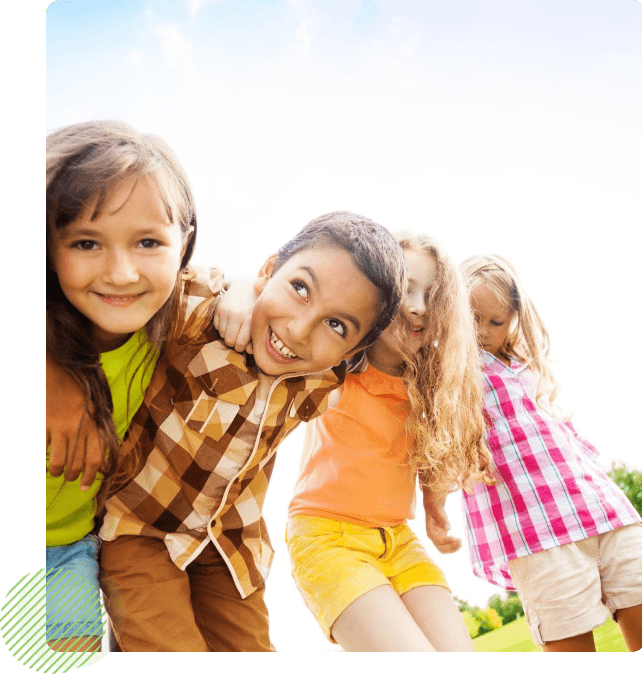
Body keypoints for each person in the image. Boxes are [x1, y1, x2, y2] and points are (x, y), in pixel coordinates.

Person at [92, 211, 407, 652]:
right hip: (141, 529)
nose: (298, 330)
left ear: (350, 351)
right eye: (300, 288)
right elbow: (175, 276)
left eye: (336, 325)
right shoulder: (203, 317)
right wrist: (237, 287)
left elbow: (406, 363)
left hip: (229, 544)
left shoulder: (319, 382)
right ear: (267, 271)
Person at [427, 254, 642, 652]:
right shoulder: (452, 371)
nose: (483, 332)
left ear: (514, 317)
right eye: (473, 318)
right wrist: (435, 506)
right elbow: (438, 443)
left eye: (496, 321)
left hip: (601, 510)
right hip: (537, 532)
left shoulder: (528, 364)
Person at [285, 232, 491, 651]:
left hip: (397, 539)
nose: (418, 306)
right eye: (406, 290)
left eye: (432, 295)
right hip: (327, 538)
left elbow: (426, 453)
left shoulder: (430, 387)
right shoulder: (336, 368)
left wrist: (434, 510)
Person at [46, 120, 197, 651]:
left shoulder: (172, 327)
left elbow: (241, 289)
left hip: (65, 552)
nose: (122, 272)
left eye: (149, 242)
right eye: (86, 242)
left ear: (186, 245)